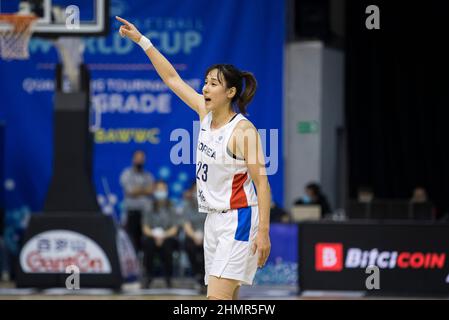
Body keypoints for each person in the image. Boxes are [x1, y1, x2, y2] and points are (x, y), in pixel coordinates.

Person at [116, 16, 271, 300]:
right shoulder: (205, 112)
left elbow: (262, 183)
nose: (205, 88)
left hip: (239, 219)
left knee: (215, 300)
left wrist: (264, 232)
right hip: (212, 220)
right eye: (206, 82)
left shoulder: (243, 130)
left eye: (214, 84)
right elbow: (172, 78)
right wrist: (142, 41)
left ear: (231, 92)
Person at [141, 180, 179, 288]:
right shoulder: (148, 206)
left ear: (167, 191)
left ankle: (168, 278)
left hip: (167, 236)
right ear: (154, 191)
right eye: (158, 190)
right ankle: (148, 277)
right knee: (148, 245)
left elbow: (174, 228)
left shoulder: (172, 205)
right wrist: (155, 235)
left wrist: (163, 236)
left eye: (163, 190)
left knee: (168, 246)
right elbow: (145, 227)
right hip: (152, 236)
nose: (161, 192)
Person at [120, 150, 154, 253]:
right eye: (138, 158)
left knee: (145, 241)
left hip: (146, 213)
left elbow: (151, 190)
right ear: (133, 159)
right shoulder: (126, 174)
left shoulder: (148, 175)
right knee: (131, 240)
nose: (140, 160)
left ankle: (143, 265)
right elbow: (130, 191)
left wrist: (137, 190)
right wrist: (144, 190)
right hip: (131, 213)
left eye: (142, 158)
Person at [181, 182, 206, 287]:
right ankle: (198, 275)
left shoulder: (210, 204)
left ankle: (207, 276)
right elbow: (186, 224)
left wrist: (204, 236)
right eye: (195, 190)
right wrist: (195, 236)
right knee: (188, 245)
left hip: (208, 235)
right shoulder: (187, 205)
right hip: (193, 236)